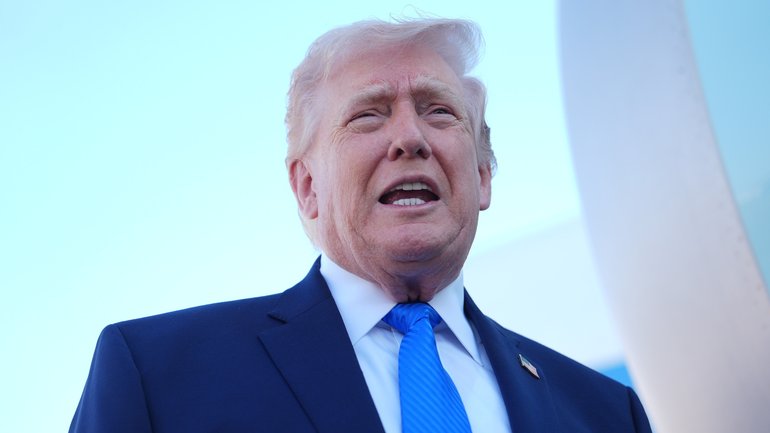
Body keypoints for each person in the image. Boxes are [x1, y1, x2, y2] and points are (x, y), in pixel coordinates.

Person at [70, 17, 652, 433]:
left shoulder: (605, 414)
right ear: (308, 187)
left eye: (439, 111)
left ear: (482, 176)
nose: (410, 138)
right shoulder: (158, 374)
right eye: (368, 116)